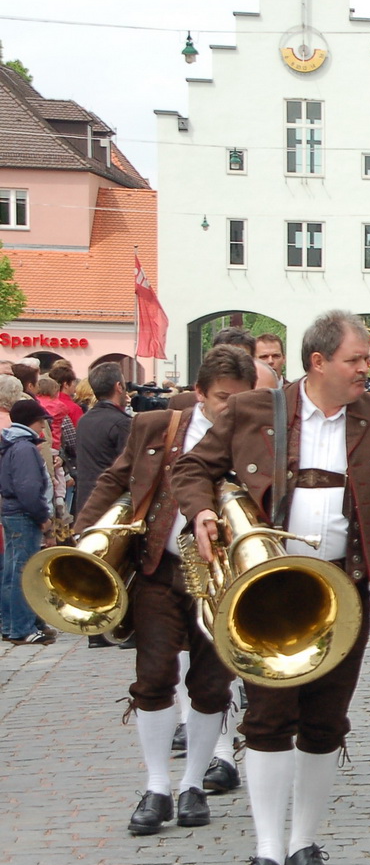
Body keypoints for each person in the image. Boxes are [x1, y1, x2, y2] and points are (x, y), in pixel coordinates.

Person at [173, 310, 370, 865]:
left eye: (366, 358)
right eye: (356, 359)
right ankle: (267, 851)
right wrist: (200, 511)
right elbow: (192, 467)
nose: (367, 368)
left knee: (326, 721)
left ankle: (303, 842)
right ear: (319, 362)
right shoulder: (253, 410)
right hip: (268, 590)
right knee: (268, 718)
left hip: (342, 589)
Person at [75, 347, 254, 834]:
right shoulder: (156, 427)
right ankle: (156, 786)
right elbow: (115, 480)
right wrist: (82, 536)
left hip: (225, 579)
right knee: (153, 677)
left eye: (241, 399)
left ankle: (193, 784)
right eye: (223, 397)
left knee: (211, 686)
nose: (232, 408)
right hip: (160, 568)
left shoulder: (257, 439)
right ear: (199, 393)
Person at [1, 398, 55, 645]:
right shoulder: (24, 448)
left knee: (12, 571)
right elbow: (29, 489)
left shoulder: (13, 444)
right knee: (23, 573)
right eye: (41, 421)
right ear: (32, 421)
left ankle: (11, 625)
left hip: (14, 512)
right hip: (24, 514)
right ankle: (22, 628)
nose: (43, 426)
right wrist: (42, 517)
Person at [72, 362, 132, 518]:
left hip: (86, 501)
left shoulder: (85, 420)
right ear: (119, 387)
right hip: (110, 506)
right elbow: (129, 467)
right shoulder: (122, 423)